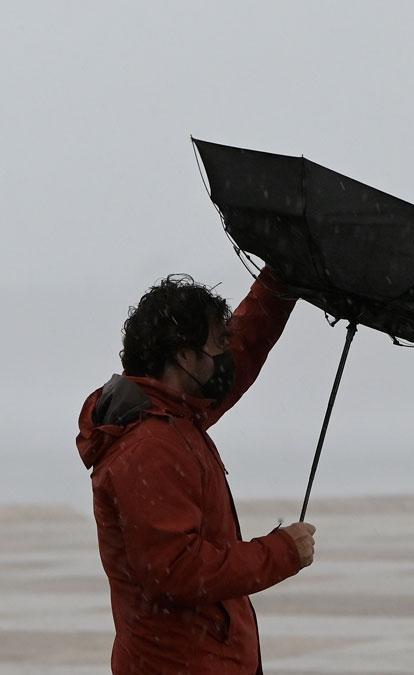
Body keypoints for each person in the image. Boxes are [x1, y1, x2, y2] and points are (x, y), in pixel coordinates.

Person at [76, 266, 316, 674]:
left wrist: (279, 281)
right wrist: (281, 552)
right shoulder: (151, 446)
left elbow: (244, 349)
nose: (226, 353)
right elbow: (177, 570)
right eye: (217, 344)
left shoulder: (175, 419)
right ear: (186, 357)